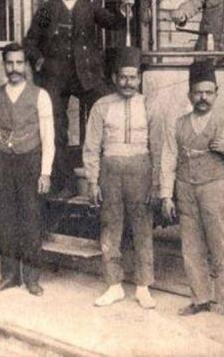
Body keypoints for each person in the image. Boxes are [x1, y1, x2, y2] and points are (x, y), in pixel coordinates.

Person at [24, 0, 135, 197]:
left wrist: (125, 10)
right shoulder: (47, 9)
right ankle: (65, 183)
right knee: (55, 128)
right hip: (55, 77)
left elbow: (114, 22)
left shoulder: (89, 6)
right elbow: (30, 41)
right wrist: (40, 61)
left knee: (107, 113)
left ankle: (105, 177)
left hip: (88, 75)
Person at [160, 61, 224, 322]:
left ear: (216, 94)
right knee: (191, 247)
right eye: (198, 93)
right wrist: (167, 195)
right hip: (186, 190)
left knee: (222, 245)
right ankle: (200, 299)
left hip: (215, 189)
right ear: (190, 95)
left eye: (208, 93)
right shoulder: (177, 124)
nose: (203, 98)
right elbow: (168, 159)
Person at [82, 47, 160, 309]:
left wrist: (157, 182)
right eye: (123, 77)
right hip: (110, 172)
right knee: (110, 228)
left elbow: (159, 146)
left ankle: (143, 286)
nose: (128, 82)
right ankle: (114, 285)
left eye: (133, 77)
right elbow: (92, 146)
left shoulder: (149, 105)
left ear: (139, 78)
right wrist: (93, 181)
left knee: (142, 228)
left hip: (141, 170)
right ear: (115, 77)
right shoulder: (101, 106)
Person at [0, 43, 56, 296]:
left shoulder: (40, 95)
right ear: (4, 65)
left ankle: (32, 279)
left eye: (19, 63)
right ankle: (9, 276)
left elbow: (48, 136)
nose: (14, 68)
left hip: (30, 163)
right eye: (9, 63)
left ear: (26, 65)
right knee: (5, 221)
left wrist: (45, 172)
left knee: (31, 220)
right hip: (3, 163)